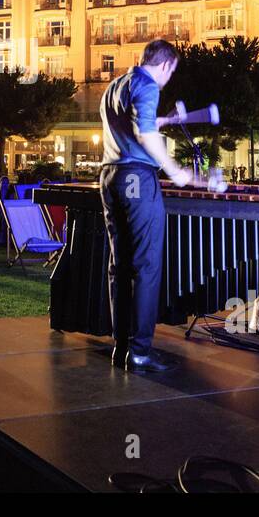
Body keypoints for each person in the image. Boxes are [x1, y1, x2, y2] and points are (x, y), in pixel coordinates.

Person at [99, 39, 200, 373]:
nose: (169, 78)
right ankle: (140, 352)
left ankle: (122, 347)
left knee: (120, 265)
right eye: (172, 71)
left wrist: (161, 121)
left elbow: (133, 126)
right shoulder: (148, 84)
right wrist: (175, 170)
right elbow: (143, 135)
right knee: (146, 265)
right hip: (136, 179)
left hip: (110, 177)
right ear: (166, 64)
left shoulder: (115, 86)